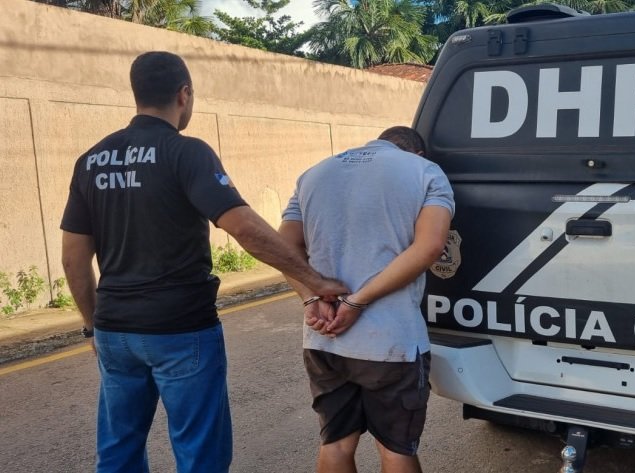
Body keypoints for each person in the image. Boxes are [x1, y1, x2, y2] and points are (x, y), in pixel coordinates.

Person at [60, 51, 346, 473]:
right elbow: (245, 228)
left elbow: (73, 258)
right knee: (200, 455)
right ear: (184, 94)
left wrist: (93, 325)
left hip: (115, 332)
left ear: (137, 93)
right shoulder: (186, 152)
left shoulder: (91, 160)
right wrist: (314, 280)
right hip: (180, 328)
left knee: (118, 450)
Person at [279, 126, 454, 473]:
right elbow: (431, 246)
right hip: (391, 343)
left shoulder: (313, 174)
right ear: (417, 153)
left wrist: (311, 296)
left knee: (336, 444)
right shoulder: (425, 172)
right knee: (395, 449)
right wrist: (357, 302)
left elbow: (283, 247)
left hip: (324, 337)